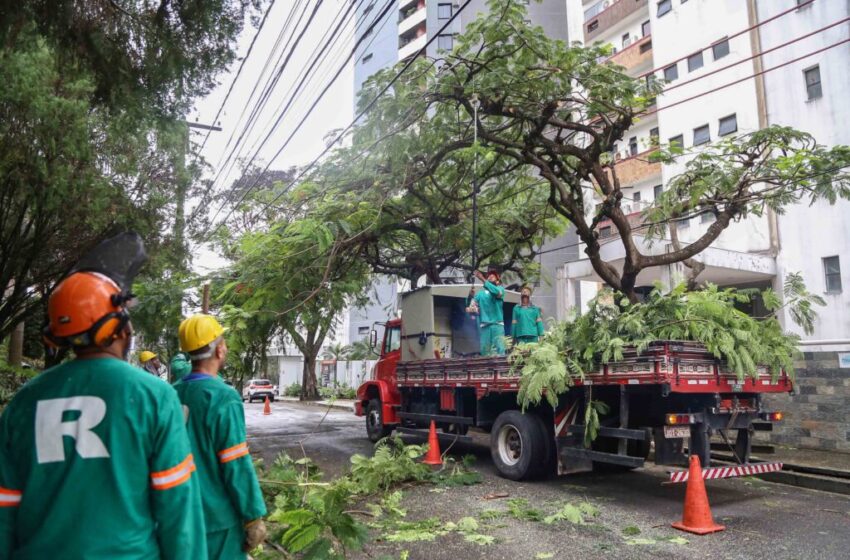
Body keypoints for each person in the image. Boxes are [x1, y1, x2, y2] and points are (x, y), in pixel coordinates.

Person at [0, 240, 206, 559]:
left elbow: (5, 505)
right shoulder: (154, 396)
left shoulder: (25, 401)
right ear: (119, 327)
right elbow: (177, 507)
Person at [174, 314, 267, 559]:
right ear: (220, 350)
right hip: (216, 520)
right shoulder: (223, 396)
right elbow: (235, 461)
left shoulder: (171, 393)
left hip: (177, 514)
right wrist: (253, 516)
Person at [466, 267, 506, 356]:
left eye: (494, 276)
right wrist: (470, 296)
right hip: (484, 326)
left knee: (500, 349)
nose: (491, 276)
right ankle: (487, 370)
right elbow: (471, 308)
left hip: (497, 325)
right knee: (485, 351)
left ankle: (501, 369)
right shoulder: (480, 294)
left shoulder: (500, 289)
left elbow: (496, 292)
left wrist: (482, 279)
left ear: (498, 280)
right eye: (489, 275)